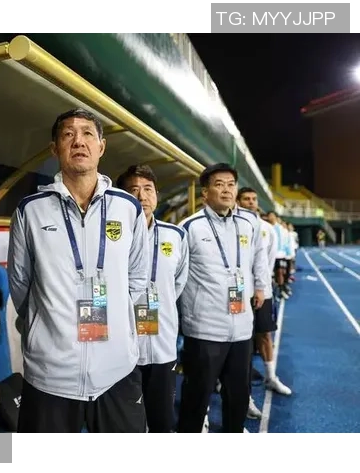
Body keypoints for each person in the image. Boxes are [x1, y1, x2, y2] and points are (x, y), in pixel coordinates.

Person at [7, 108, 150, 433]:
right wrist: (43, 326)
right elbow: (20, 283)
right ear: (55, 148)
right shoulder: (30, 211)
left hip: (116, 370)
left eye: (87, 133)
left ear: (101, 146)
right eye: (68, 134)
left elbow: (137, 277)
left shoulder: (127, 208)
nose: (78, 141)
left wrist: (116, 314)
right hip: (51, 374)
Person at [176, 163, 268, 433]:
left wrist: (261, 286)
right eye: (219, 184)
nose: (227, 190)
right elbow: (175, 276)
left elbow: (259, 257)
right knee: (196, 398)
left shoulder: (249, 223)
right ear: (205, 193)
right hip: (204, 329)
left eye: (231, 184)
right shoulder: (189, 227)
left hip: (241, 328)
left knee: (238, 396)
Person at [116, 164, 189, 433]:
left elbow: (178, 282)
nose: (141, 196)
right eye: (133, 190)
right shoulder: (112, 236)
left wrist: (161, 303)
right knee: (126, 426)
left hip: (162, 345)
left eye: (148, 189)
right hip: (122, 348)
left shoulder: (176, 236)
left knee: (162, 421)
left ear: (157, 194)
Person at [237, 188, 292, 402]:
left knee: (265, 334)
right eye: (246, 199)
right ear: (238, 202)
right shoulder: (233, 227)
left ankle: (270, 377)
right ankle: (237, 385)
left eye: (253, 199)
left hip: (262, 291)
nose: (251, 202)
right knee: (240, 341)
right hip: (239, 292)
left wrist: (261, 286)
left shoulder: (268, 229)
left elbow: (268, 261)